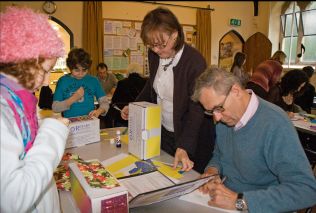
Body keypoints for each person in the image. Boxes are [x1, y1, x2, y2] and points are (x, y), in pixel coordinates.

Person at [191, 67, 316, 212]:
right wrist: (212, 170)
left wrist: (240, 201)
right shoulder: (226, 118)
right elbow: (220, 154)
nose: (216, 118)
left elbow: (306, 190)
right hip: (224, 201)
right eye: (211, 111)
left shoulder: (275, 124)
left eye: (218, 108)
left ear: (236, 91)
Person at [120, 7, 215, 173]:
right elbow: (152, 86)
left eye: (161, 45)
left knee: (187, 180)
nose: (156, 50)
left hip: (191, 135)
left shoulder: (194, 61)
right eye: (151, 46)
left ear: (175, 34)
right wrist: (134, 106)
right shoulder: (155, 55)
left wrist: (185, 145)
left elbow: (196, 109)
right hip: (165, 131)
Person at [0, 6, 70, 212]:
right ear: (24, 62)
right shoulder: (4, 113)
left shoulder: (19, 101)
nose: (47, 80)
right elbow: (14, 199)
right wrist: (52, 131)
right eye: (45, 71)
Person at [52, 48, 109, 118]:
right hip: (70, 124)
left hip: (89, 122)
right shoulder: (63, 81)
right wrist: (73, 98)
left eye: (84, 70)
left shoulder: (93, 80)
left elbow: (105, 102)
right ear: (70, 67)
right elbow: (55, 108)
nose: (81, 73)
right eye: (77, 70)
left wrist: (99, 111)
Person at [103, 63, 147, 127]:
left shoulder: (122, 83)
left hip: (124, 117)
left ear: (128, 71)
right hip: (142, 117)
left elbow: (114, 101)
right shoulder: (146, 82)